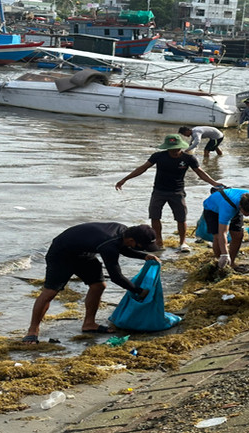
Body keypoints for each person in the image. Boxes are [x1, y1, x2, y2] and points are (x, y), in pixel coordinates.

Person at [23, 223, 160, 343]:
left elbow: (124, 248)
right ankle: (32, 331)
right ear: (131, 239)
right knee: (50, 292)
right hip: (61, 255)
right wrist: (138, 291)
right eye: (142, 247)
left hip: (83, 253)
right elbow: (116, 277)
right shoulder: (109, 245)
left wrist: (143, 256)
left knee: (98, 285)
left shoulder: (123, 232)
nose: (143, 249)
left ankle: (89, 324)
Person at [116, 134, 222, 252]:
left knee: (181, 218)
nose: (175, 151)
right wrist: (125, 179)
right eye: (172, 149)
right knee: (155, 216)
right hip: (159, 191)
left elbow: (200, 173)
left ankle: (183, 242)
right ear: (167, 148)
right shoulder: (158, 156)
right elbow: (142, 168)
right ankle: (159, 241)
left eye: (177, 148)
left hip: (177, 192)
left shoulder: (188, 158)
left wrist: (214, 183)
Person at [202, 187, 249, 269]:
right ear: (240, 207)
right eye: (247, 213)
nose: (248, 215)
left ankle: (231, 262)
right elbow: (223, 233)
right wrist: (224, 254)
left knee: (238, 235)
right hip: (213, 210)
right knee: (217, 237)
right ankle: (220, 261)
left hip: (233, 205)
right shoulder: (227, 210)